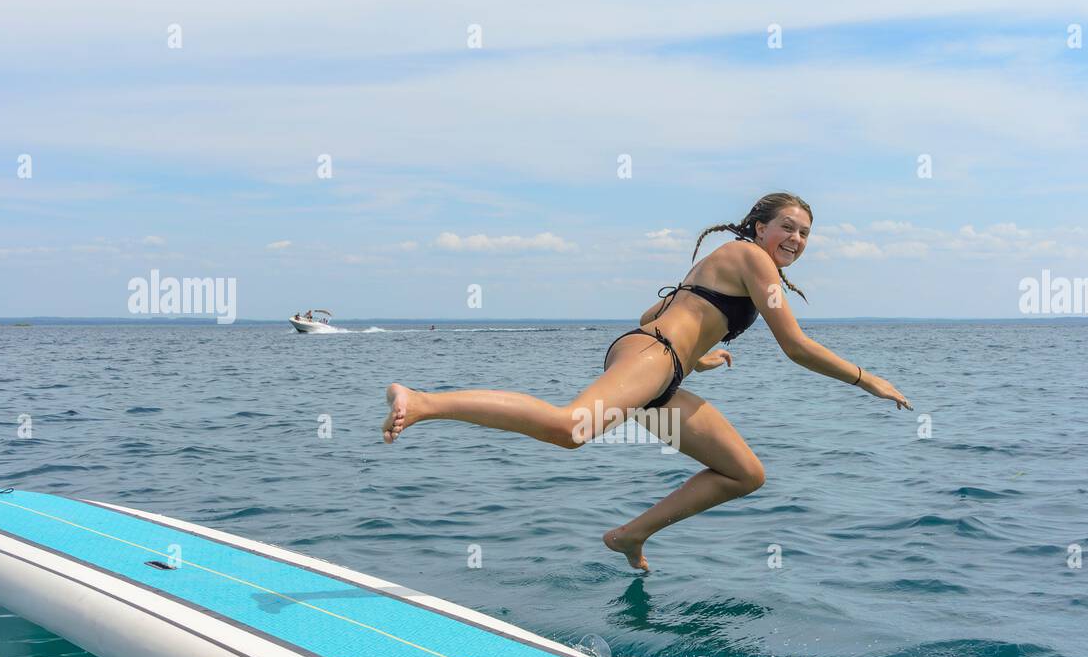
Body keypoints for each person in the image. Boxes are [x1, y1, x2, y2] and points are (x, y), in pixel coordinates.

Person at [381, 192, 911, 570]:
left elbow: (651, 311)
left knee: (744, 473)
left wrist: (693, 355)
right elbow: (796, 347)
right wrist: (868, 380)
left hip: (662, 367)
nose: (796, 238)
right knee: (570, 429)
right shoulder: (750, 257)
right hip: (652, 359)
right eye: (788, 227)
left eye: (805, 233)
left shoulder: (738, 263)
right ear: (758, 227)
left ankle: (630, 535)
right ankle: (423, 401)